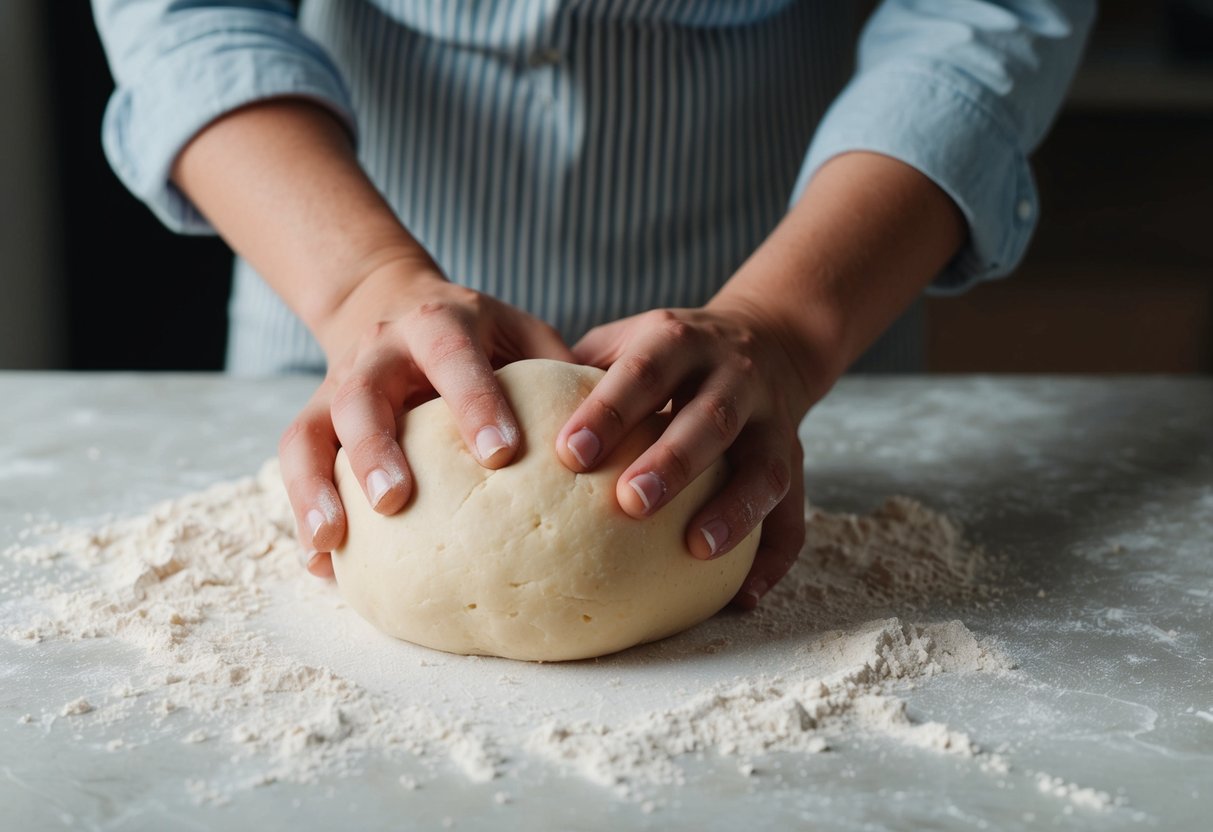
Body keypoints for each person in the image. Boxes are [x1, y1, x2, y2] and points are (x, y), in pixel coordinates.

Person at [91, 0, 1093, 608]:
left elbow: (982, 14)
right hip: (340, 290)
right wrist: (361, 286)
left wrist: (785, 331)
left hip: (799, 279)